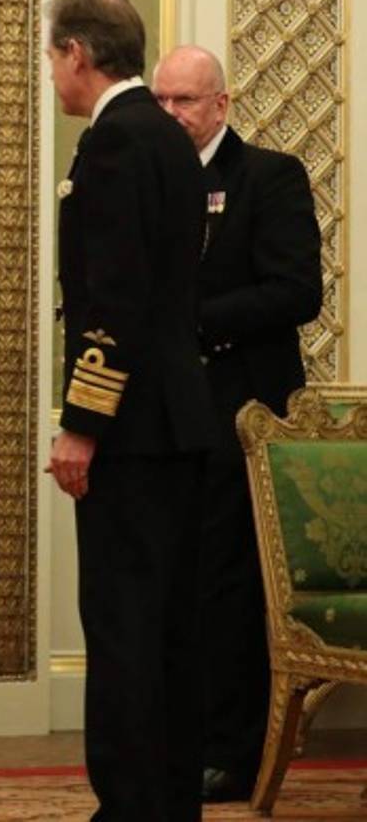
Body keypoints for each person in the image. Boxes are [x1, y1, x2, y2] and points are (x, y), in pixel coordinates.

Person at [45, 0, 216, 820]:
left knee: (121, 626)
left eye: (53, 58)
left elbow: (112, 306)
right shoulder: (175, 139)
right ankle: (168, 800)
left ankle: (128, 807)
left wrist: (81, 425)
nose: (52, 76)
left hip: (132, 433)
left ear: (76, 53)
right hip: (180, 421)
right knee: (172, 630)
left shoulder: (112, 142)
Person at [152, 44, 323, 803]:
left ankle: (234, 750)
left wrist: (191, 324)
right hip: (168, 418)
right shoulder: (150, 184)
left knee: (230, 587)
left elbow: (296, 291)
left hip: (244, 415)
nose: (173, 115)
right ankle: (181, 740)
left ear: (221, 104)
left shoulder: (268, 177)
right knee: (178, 583)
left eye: (186, 101)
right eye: (161, 101)